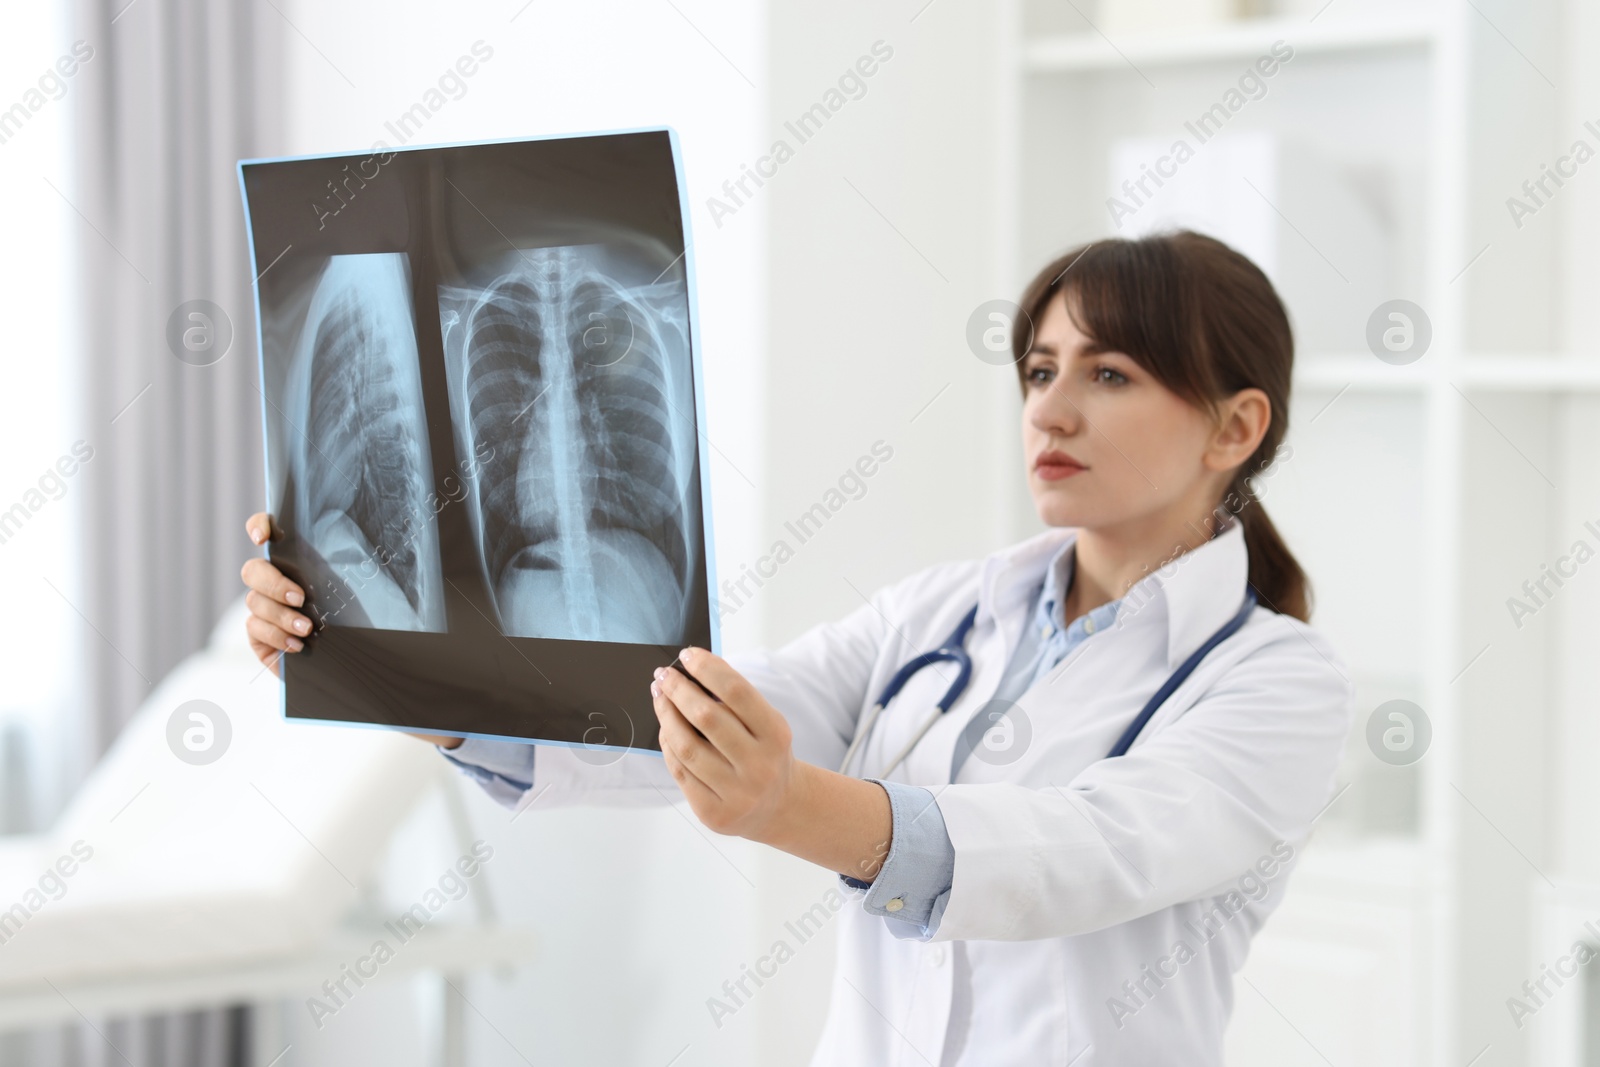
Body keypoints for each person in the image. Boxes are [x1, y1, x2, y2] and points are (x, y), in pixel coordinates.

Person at [240, 230, 1352, 1066]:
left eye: (1107, 374)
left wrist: (787, 804)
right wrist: (386, 663)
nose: (1049, 410)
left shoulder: (1277, 684)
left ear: (1234, 427)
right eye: (1037, 369)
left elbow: (1080, 852)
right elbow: (704, 711)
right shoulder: (946, 611)